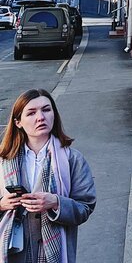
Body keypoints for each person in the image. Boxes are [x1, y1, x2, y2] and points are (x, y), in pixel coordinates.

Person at [0, 89, 95, 262]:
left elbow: (85, 207)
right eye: (31, 113)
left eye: (46, 109)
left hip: (56, 253)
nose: (40, 117)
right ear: (18, 122)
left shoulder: (72, 159)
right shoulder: (3, 161)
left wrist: (56, 202)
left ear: (54, 114)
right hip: (13, 252)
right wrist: (2, 204)